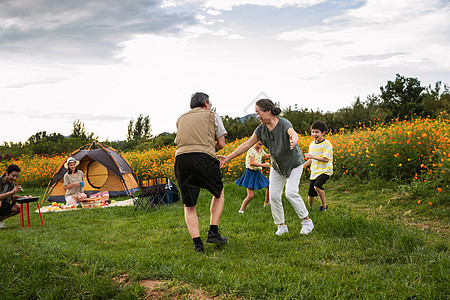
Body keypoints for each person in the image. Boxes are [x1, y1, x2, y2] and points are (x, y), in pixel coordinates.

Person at [220, 99, 314, 236]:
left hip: (294, 164)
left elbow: (293, 133)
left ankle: (307, 221)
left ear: (268, 111)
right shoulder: (261, 130)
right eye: (256, 113)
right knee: (274, 196)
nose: (257, 116)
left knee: (290, 193)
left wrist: (294, 139)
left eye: (258, 112)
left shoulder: (284, 123)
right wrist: (228, 157)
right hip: (277, 166)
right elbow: (246, 145)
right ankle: (281, 226)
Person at [174, 92, 228, 253]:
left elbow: (181, 143)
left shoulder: (181, 119)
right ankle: (213, 231)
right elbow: (221, 143)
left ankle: (197, 244)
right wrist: (210, 150)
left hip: (182, 159)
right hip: (204, 158)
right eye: (209, 103)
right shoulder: (212, 115)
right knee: (218, 192)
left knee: (189, 204)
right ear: (206, 103)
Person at [304, 120, 333, 211]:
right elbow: (311, 159)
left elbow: (326, 159)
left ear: (323, 133)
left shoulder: (327, 144)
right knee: (310, 195)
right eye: (313, 132)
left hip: (325, 170)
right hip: (314, 171)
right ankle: (310, 209)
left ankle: (324, 206)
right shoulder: (312, 144)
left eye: (317, 132)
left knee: (317, 186)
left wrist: (311, 156)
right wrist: (303, 166)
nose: (314, 134)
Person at [235, 141, 271, 213]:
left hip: (257, 173)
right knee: (250, 195)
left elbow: (267, 156)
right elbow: (251, 163)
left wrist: (275, 152)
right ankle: (241, 210)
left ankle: (267, 202)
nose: (260, 143)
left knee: (269, 186)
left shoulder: (261, 150)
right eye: (259, 141)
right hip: (250, 173)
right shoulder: (251, 151)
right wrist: (263, 165)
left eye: (262, 142)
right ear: (255, 141)